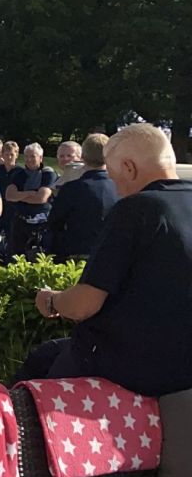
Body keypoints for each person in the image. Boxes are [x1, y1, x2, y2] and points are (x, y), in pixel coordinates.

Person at [20, 124, 192, 397]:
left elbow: (84, 305)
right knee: (50, 353)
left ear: (129, 168)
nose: (117, 190)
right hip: (181, 364)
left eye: (113, 178)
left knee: (37, 373)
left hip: (133, 364)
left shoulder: (137, 209)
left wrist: (51, 301)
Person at [46, 133, 118, 262]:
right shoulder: (121, 188)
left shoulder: (71, 189)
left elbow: (54, 224)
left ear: (82, 157)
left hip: (76, 256)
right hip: (111, 256)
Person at [5, 143, 58, 256]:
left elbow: (41, 198)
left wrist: (20, 196)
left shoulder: (48, 174)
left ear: (40, 158)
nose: (29, 160)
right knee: (15, 256)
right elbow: (9, 196)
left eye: (33, 156)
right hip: (20, 222)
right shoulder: (18, 174)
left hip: (41, 224)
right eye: (27, 156)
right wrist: (30, 193)